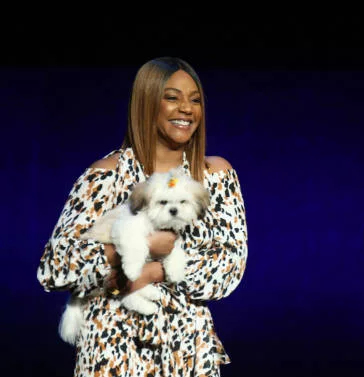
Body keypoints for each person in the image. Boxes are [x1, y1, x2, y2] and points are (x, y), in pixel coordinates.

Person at [37, 57, 248, 377]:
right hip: (112, 351)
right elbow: (54, 267)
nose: (187, 109)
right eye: (173, 97)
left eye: (195, 100)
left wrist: (151, 273)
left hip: (186, 351)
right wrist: (138, 249)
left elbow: (229, 267)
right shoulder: (105, 175)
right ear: (147, 103)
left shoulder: (215, 175)